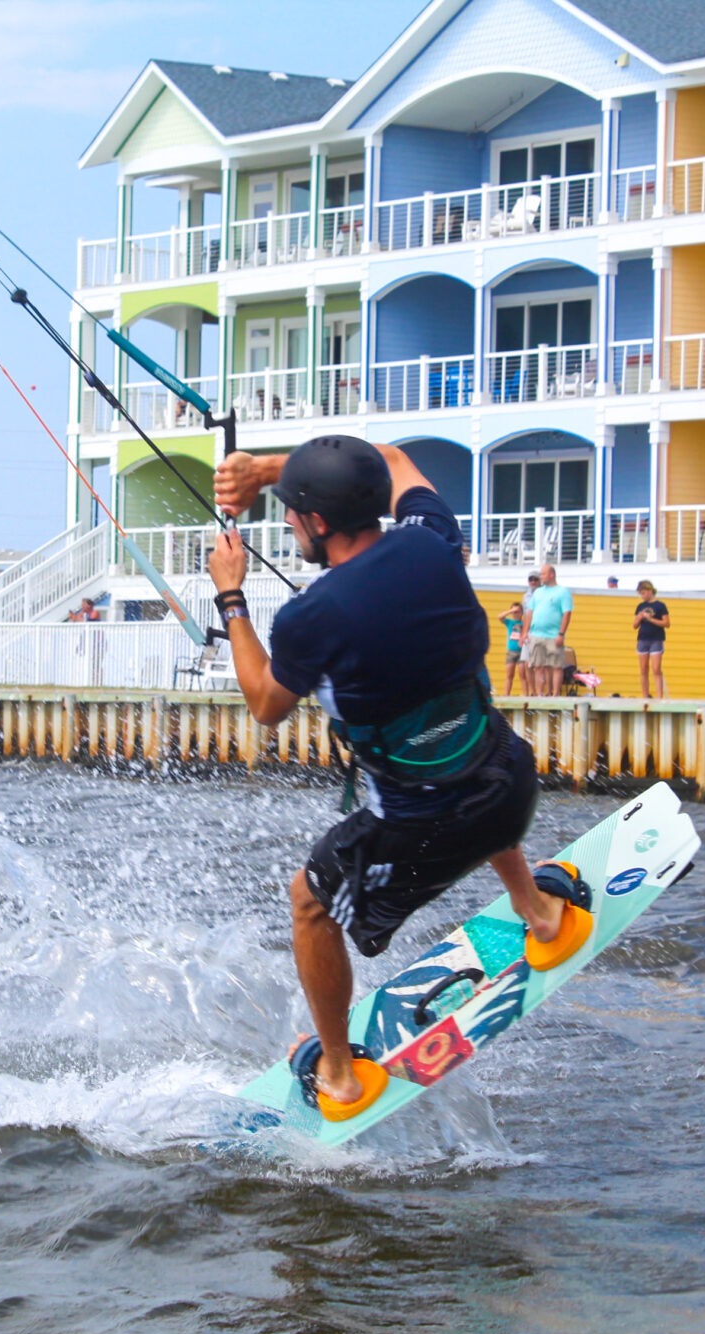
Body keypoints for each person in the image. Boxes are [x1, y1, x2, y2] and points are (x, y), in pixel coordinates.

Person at [207, 436, 593, 1120]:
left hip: (427, 831)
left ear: (319, 524)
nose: (288, 523)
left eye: (292, 511)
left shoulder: (309, 618)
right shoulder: (433, 542)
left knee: (309, 901)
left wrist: (231, 596)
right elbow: (386, 458)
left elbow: (266, 704)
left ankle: (338, 1074)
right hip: (511, 790)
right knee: (459, 743)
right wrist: (269, 473)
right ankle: (540, 911)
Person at [525, 566, 572, 697]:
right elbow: (530, 612)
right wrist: (525, 633)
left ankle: (555, 694)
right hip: (536, 635)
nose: (541, 577)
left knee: (556, 666)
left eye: (543, 574)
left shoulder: (562, 592)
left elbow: (567, 613)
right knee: (538, 666)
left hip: (554, 635)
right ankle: (540, 694)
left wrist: (561, 634)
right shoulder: (538, 593)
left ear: (551, 575)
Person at [633, 580, 669, 699]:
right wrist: (639, 618)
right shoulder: (640, 606)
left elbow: (666, 623)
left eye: (643, 593)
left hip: (656, 639)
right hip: (643, 638)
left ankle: (659, 696)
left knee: (656, 668)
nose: (642, 596)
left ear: (649, 591)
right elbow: (634, 625)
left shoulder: (660, 606)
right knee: (643, 669)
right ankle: (645, 696)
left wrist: (650, 619)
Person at [501, 602, 525, 696]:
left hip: (522, 651)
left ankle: (525, 694)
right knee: (509, 675)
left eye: (518, 612)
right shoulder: (510, 622)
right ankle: (506, 694)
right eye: (514, 612)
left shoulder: (524, 623)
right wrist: (511, 610)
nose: (516, 614)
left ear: (522, 612)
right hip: (511, 652)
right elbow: (500, 617)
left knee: (523, 675)